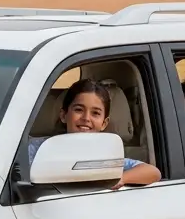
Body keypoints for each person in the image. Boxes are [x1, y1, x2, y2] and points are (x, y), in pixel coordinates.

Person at [28, 78, 162, 187]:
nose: (86, 118)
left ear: (104, 123)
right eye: (79, 110)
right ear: (63, 115)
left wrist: (120, 179)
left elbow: (153, 172)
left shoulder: (105, 156)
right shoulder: (38, 149)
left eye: (95, 113)